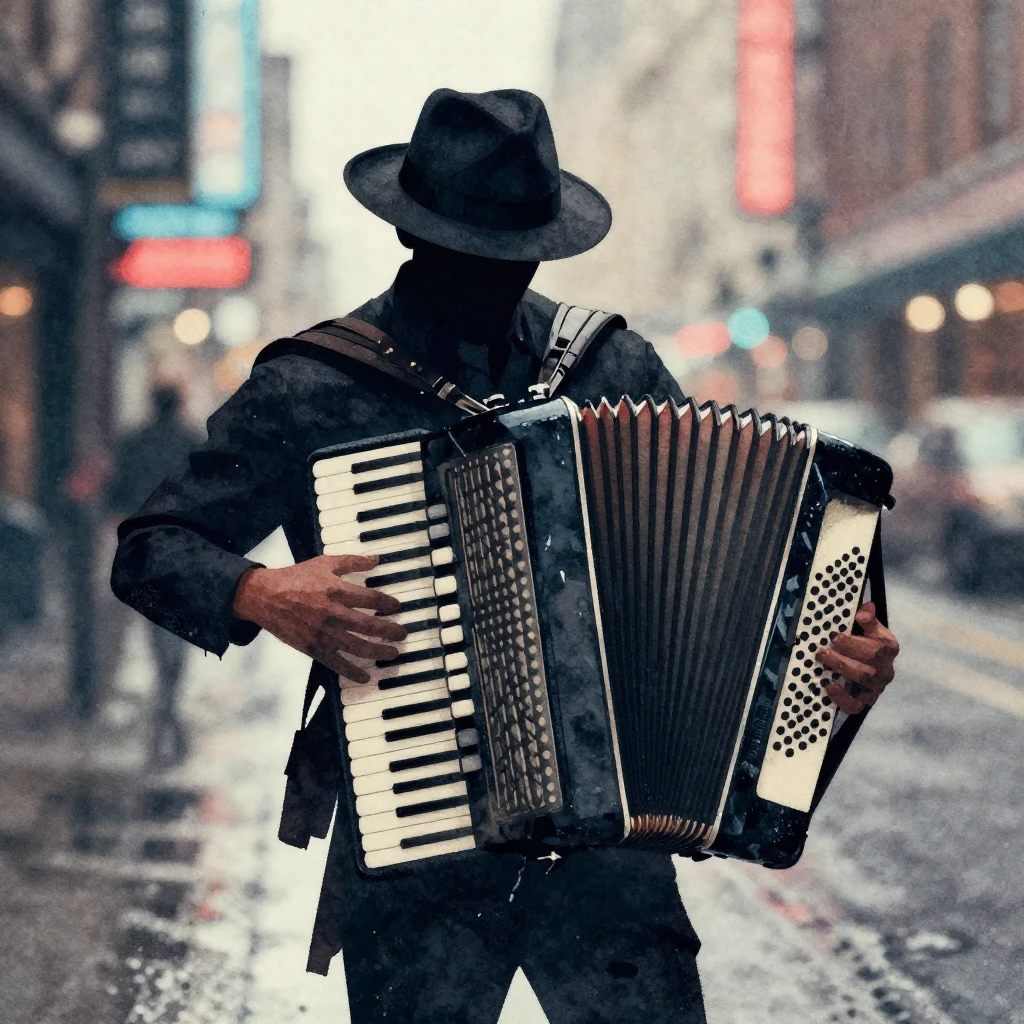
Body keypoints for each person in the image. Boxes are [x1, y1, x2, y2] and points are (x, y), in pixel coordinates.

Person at [111, 89, 899, 1023]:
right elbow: (151, 548)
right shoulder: (314, 386)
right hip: (417, 856)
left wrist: (839, 659)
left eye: (515, 255)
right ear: (413, 236)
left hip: (611, 861)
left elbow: (745, 574)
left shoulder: (612, 366)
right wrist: (258, 591)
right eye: (469, 253)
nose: (496, 277)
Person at [107, 385, 203, 765]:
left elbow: (117, 493)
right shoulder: (192, 440)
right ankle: (170, 685)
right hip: (184, 539)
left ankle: (166, 682)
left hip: (144, 541)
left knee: (155, 617)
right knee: (180, 615)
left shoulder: (133, 442)